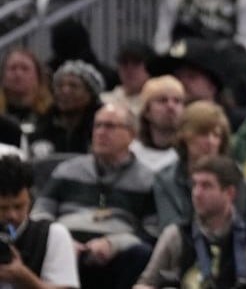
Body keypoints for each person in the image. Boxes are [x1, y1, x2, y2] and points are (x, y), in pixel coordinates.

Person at [32, 104, 157, 289]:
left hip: (116, 253)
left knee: (142, 253)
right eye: (97, 125)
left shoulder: (147, 180)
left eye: (110, 126)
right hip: (66, 246)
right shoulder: (67, 170)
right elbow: (40, 213)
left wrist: (113, 244)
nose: (100, 132)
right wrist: (61, 241)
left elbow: (152, 231)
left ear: (132, 134)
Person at [135, 156, 246, 289]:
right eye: (195, 185)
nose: (197, 193)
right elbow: (145, 283)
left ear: (229, 193)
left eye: (206, 186)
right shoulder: (176, 235)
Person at [153, 101, 246, 231]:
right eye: (203, 134)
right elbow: (171, 226)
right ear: (185, 136)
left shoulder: (236, 176)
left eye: (216, 135)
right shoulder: (166, 180)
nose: (210, 141)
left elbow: (238, 224)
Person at [0, 156, 79, 289]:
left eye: (19, 206)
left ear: (30, 200)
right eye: (3, 208)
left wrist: (26, 279)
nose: (12, 215)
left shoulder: (52, 234)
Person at [130, 76, 186, 172]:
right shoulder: (131, 152)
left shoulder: (188, 153)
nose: (171, 106)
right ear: (147, 111)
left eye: (177, 101)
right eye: (162, 100)